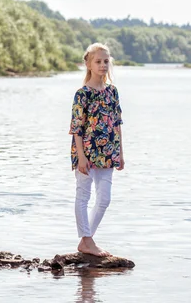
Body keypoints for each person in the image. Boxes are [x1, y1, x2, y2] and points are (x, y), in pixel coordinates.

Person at [69, 43, 125, 257]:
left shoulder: (112, 91)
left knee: (104, 199)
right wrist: (81, 157)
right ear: (88, 64)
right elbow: (76, 127)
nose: (103, 65)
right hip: (86, 153)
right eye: (98, 61)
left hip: (109, 153)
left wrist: (120, 152)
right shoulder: (82, 94)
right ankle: (87, 240)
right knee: (83, 195)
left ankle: (86, 239)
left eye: (105, 61)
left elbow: (117, 122)